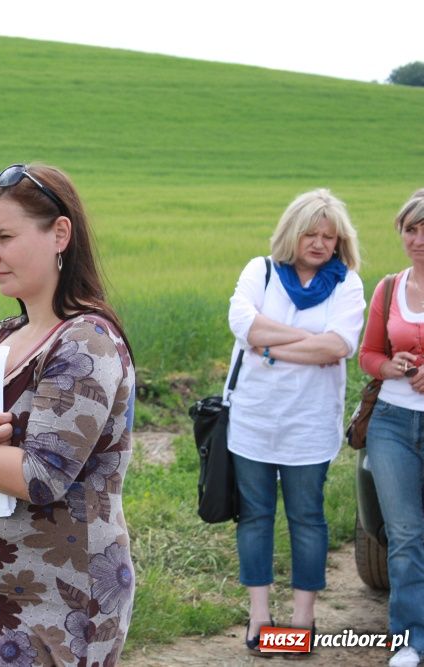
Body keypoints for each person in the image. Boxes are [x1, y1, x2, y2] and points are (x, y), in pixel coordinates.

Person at [0, 163, 137, 666]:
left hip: (58, 602)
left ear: (60, 234)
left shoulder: (86, 342)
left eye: (4, 237)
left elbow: (41, 476)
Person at [226, 189, 364, 657]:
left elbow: (339, 346)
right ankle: (259, 617)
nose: (320, 242)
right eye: (311, 232)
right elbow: (244, 325)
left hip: (310, 425)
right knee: (256, 516)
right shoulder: (259, 271)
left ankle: (302, 619)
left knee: (307, 518)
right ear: (292, 231)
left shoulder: (347, 284)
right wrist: (309, 339)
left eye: (330, 236)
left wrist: (269, 348)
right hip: (253, 420)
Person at [359, 188, 424, 667]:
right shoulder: (388, 287)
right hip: (392, 425)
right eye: (411, 229)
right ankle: (409, 641)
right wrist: (391, 365)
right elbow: (367, 356)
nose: (419, 239)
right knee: (404, 534)